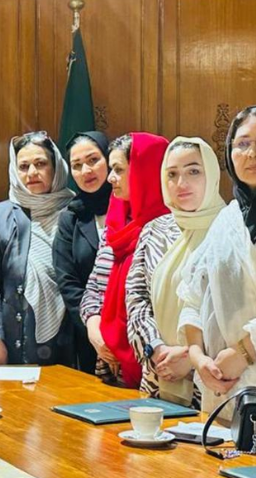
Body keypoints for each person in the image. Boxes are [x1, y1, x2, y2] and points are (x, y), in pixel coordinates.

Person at [179, 105, 256, 440]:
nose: (252, 154)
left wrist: (243, 353)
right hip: (222, 385)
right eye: (242, 144)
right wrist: (197, 356)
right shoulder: (225, 221)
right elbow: (193, 295)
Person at [125, 137, 225, 407]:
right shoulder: (155, 231)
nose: (181, 183)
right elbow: (136, 300)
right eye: (172, 174)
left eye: (193, 171)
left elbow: (238, 312)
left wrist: (191, 360)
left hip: (214, 383)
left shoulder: (232, 228)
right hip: (157, 376)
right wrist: (156, 350)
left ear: (212, 175)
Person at [0, 132, 74, 365]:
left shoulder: (75, 213)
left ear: (56, 167)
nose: (32, 173)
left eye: (40, 164)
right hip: (11, 338)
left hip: (68, 339)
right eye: (24, 166)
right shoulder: (0, 215)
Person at [80, 133, 169, 388]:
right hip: (109, 361)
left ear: (145, 171)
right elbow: (95, 287)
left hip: (154, 365)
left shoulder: (170, 229)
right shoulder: (116, 222)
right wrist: (96, 330)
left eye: (119, 170)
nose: (110, 178)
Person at [53, 131, 112, 372]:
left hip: (134, 333)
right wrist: (93, 330)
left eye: (93, 160)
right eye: (76, 165)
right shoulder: (72, 217)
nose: (86, 170)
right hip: (90, 337)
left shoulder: (132, 208)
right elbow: (67, 281)